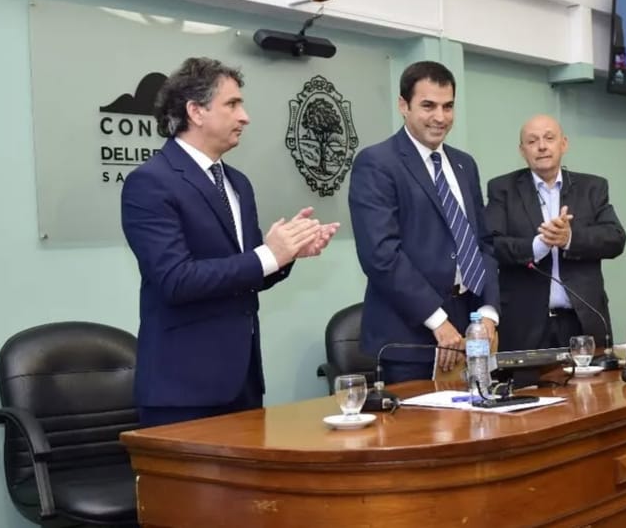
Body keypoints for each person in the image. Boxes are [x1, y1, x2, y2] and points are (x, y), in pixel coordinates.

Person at [121, 57, 339, 427]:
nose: (245, 117)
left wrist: (287, 255)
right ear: (196, 111)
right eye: (232, 104)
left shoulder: (238, 183)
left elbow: (247, 276)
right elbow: (175, 280)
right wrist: (268, 255)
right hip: (182, 390)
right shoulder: (150, 183)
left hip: (244, 382)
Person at [348, 61, 499, 384]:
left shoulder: (464, 164)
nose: (440, 117)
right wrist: (437, 321)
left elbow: (482, 243)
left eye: (448, 106)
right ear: (403, 106)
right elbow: (381, 255)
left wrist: (488, 314)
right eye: (428, 106)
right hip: (410, 338)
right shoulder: (377, 163)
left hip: (469, 333)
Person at [485, 115, 626, 350]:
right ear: (522, 150)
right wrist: (537, 245)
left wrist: (569, 239)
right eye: (532, 141)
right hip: (524, 323)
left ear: (564, 144)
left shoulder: (592, 188)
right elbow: (491, 245)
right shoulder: (503, 189)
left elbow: (615, 238)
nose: (541, 146)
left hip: (581, 321)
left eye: (549, 138)